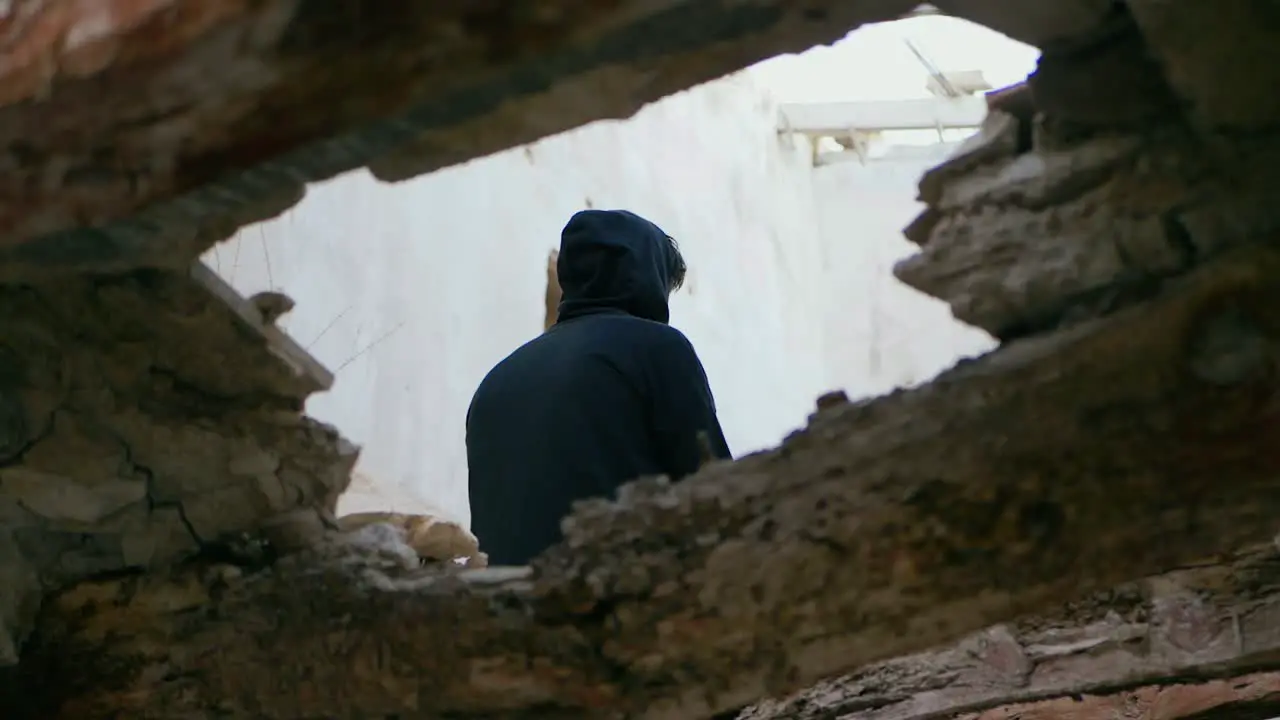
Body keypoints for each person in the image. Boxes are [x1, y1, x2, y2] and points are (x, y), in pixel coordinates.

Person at [466, 209, 731, 565]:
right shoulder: (657, 348)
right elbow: (719, 491)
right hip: (615, 599)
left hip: (506, 607)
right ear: (647, 279)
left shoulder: (496, 380)